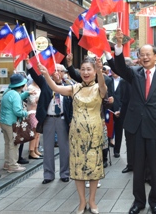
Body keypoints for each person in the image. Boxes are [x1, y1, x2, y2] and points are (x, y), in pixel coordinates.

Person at [111, 28, 156, 214]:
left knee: (155, 168)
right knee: (137, 167)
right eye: (142, 54)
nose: (145, 57)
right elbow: (120, 67)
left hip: (155, 128)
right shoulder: (134, 73)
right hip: (135, 128)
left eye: (148, 54)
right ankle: (138, 202)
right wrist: (119, 45)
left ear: (155, 56)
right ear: (138, 57)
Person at [38, 57, 107, 214]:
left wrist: (100, 71)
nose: (85, 72)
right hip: (76, 134)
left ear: (94, 71)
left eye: (89, 69)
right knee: (77, 169)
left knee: (94, 168)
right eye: (82, 69)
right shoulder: (74, 88)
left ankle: (92, 201)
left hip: (94, 133)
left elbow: (102, 86)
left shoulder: (99, 88)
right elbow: (55, 88)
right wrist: (46, 75)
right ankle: (82, 201)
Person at [28, 63, 72, 184]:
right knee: (47, 148)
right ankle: (48, 174)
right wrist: (28, 64)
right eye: (55, 70)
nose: (57, 73)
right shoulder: (46, 83)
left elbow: (72, 105)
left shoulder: (69, 87)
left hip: (62, 119)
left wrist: (71, 120)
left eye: (59, 70)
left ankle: (65, 173)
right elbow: (35, 75)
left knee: (64, 147)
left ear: (63, 73)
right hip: (48, 119)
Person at [0, 73, 30, 173]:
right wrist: (27, 113)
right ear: (21, 85)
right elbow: (17, 111)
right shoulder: (16, 95)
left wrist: (27, 93)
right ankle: (13, 165)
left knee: (7, 143)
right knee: (13, 143)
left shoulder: (8, 91)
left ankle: (7, 163)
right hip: (11, 122)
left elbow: (16, 98)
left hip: (3, 121)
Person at [26, 78, 42, 159]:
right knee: (34, 131)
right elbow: (33, 101)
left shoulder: (40, 87)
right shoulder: (30, 88)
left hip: (38, 111)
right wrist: (41, 99)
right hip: (32, 111)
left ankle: (36, 149)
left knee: (38, 131)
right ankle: (31, 151)